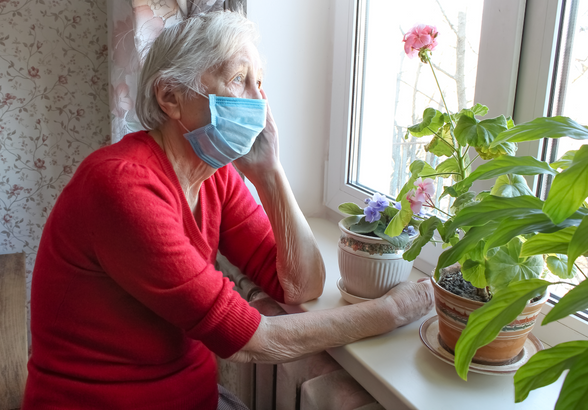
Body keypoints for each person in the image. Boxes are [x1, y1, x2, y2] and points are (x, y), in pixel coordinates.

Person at [23, 10, 434, 410]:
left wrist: (270, 173)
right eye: (240, 80)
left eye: (261, 83)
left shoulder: (214, 176)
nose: (261, 104)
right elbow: (253, 341)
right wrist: (391, 311)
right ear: (170, 97)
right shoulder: (122, 186)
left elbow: (300, 285)